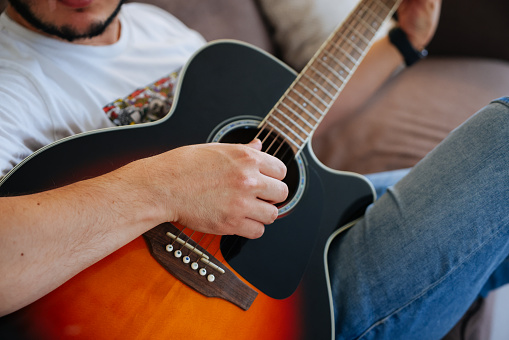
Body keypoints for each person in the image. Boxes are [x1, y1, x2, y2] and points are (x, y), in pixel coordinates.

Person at [0, 0, 507, 338]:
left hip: (298, 257)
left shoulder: (155, 27)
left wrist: (402, 41)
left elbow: (280, 125)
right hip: (247, 316)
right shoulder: (10, 79)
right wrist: (167, 186)